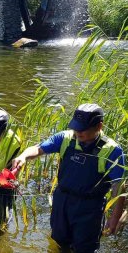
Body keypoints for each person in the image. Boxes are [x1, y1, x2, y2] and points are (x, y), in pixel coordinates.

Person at [12, 104, 126, 252]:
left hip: (89, 207)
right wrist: (23, 156)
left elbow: (119, 187)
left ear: (99, 126)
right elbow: (39, 148)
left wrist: (115, 217)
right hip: (62, 202)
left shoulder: (112, 150)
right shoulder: (66, 138)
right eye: (75, 127)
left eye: (82, 128)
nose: (77, 132)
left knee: (84, 248)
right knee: (59, 244)